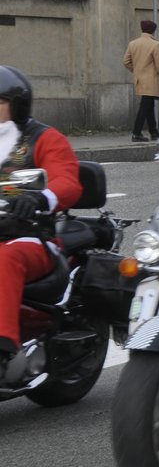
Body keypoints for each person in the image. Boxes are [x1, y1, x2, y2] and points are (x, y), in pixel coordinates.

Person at [0, 66, 84, 380]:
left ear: (17, 104)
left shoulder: (45, 139)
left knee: (3, 259)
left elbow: (68, 182)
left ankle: (2, 347)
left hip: (30, 236)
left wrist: (40, 197)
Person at [123, 19, 159, 142]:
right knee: (145, 106)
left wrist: (136, 71)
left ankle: (153, 131)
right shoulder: (155, 45)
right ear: (153, 30)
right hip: (152, 80)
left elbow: (126, 61)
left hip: (139, 79)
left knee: (148, 105)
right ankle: (136, 133)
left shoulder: (133, 44)